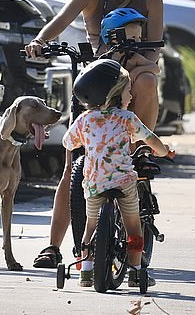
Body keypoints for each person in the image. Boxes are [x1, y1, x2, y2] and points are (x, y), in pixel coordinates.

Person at [25, 0, 164, 268]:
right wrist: (40, 42)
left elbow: (154, 51)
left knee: (146, 79)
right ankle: (53, 246)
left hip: (134, 74)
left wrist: (135, 61)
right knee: (74, 167)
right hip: (96, 81)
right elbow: (58, 22)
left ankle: (139, 147)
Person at [63, 59, 172, 287]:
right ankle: (135, 271)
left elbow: (68, 142)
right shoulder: (127, 118)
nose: (130, 97)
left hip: (94, 183)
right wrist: (164, 151)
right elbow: (150, 139)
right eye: (127, 91)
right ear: (114, 94)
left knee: (90, 225)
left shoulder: (85, 120)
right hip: (123, 182)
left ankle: (86, 272)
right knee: (133, 226)